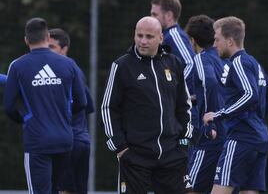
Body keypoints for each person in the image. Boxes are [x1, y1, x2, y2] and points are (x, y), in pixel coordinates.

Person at [101, 16, 193, 194]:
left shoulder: (173, 63)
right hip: (135, 155)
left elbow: (184, 105)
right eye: (139, 35)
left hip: (171, 154)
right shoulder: (122, 66)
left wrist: (183, 143)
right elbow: (108, 108)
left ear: (161, 38)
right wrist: (121, 148)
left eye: (149, 37)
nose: (143, 41)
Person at [3, 17, 87, 194]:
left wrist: (26, 119)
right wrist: (64, 118)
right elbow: (82, 102)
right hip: (65, 140)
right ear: (48, 37)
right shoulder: (68, 64)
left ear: (26, 40)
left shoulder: (18, 66)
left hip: (37, 141)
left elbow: (9, 106)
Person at [203, 16, 268, 194]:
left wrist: (218, 114)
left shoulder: (237, 63)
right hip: (259, 138)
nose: (214, 45)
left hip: (241, 138)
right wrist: (255, 118)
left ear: (230, 41)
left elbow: (250, 94)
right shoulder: (253, 63)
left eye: (217, 39)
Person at [184, 14, 230, 194]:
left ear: (193, 40)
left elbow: (209, 82)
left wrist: (209, 122)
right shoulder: (226, 60)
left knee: (190, 188)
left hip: (210, 138)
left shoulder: (201, 59)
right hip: (230, 135)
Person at [49, 28, 94, 194]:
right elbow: (88, 104)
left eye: (52, 47)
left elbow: (83, 103)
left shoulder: (63, 71)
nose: (48, 52)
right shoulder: (75, 69)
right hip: (81, 141)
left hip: (69, 143)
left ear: (64, 48)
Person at [150, 0, 196, 97]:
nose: (151, 18)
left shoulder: (174, 36)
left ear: (169, 15)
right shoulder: (164, 36)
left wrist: (176, 89)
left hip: (186, 108)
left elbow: (191, 64)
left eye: (155, 14)